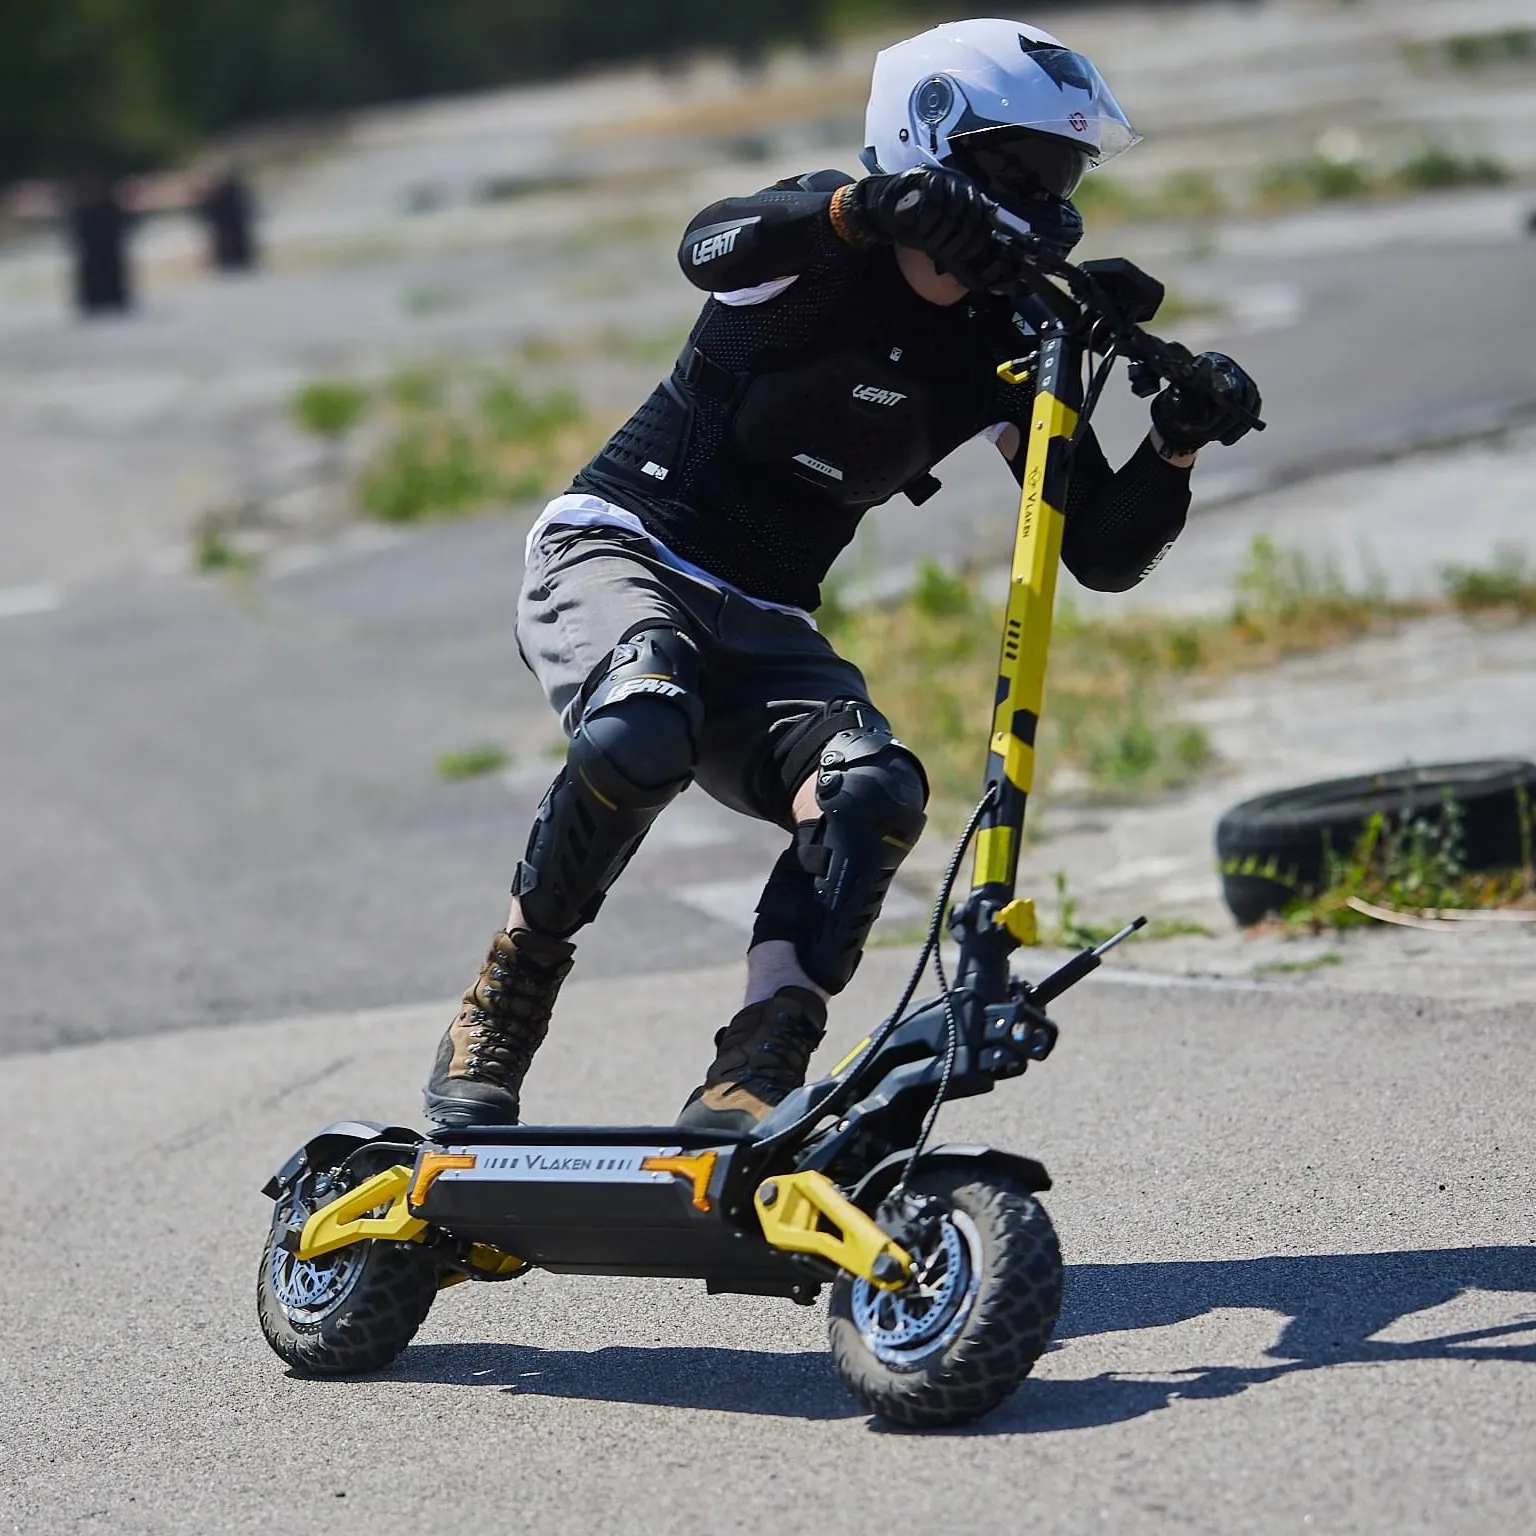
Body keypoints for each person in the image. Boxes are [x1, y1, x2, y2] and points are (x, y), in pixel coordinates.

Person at [423, 18, 1262, 1133]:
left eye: (1067, 171)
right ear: (935, 141)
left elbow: (1098, 554)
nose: (1052, 196)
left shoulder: (1012, 336)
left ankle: (757, 1062)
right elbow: (706, 244)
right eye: (1029, 165)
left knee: (873, 791)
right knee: (640, 723)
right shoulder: (820, 242)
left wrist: (1178, 444)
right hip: (619, 549)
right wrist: (859, 209)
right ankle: (512, 990)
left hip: (768, 617)